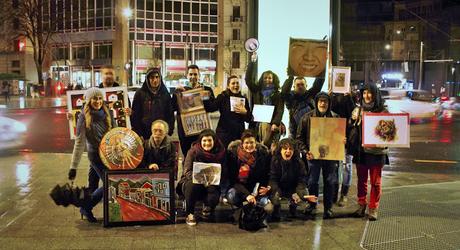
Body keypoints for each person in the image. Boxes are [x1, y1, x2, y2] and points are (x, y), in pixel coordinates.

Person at [67, 87, 115, 222]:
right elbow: (79, 143)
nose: (98, 101)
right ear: (88, 100)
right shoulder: (83, 116)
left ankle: (86, 209)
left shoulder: (108, 112)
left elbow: (116, 133)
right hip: (95, 155)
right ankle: (86, 207)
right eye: (94, 98)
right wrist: (73, 167)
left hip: (108, 154)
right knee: (110, 183)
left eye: (100, 98)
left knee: (93, 185)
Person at [296, 92, 342, 219]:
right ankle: (312, 205)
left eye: (325, 101)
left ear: (329, 103)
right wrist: (306, 152)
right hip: (313, 156)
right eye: (320, 101)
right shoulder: (306, 118)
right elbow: (299, 139)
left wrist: (342, 141)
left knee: (330, 181)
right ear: (316, 103)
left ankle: (328, 208)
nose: (323, 104)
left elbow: (340, 137)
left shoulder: (336, 117)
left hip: (330, 156)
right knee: (312, 182)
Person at [349, 83, 389, 221]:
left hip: (377, 152)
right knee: (361, 181)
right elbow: (351, 129)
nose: (367, 96)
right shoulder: (358, 111)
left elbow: (389, 133)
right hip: (361, 151)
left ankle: (373, 208)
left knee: (376, 182)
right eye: (364, 93)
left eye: (369, 93)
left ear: (375, 94)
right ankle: (361, 205)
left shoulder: (383, 111)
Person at [178, 129, 226, 226]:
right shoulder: (193, 152)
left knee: (213, 194)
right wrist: (201, 179)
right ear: (200, 141)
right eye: (204, 140)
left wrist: (215, 179)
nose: (207, 143)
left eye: (209, 140)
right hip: (192, 181)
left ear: (214, 141)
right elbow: (187, 171)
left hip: (211, 183)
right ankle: (190, 213)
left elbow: (224, 171)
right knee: (192, 186)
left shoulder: (221, 152)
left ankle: (208, 206)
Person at [226, 130, 272, 216]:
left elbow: (266, 175)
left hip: (257, 189)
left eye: (252, 142)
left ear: (256, 144)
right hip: (240, 189)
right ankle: (241, 207)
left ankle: (251, 208)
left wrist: (267, 188)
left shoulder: (263, 155)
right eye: (246, 143)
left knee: (267, 207)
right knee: (232, 196)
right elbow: (233, 181)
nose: (249, 145)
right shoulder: (234, 156)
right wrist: (247, 195)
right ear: (242, 144)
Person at [172, 65, 215, 156]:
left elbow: (212, 108)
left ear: (199, 75)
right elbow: (173, 108)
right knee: (187, 155)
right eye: (191, 74)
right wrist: (175, 94)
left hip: (201, 129)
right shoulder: (181, 91)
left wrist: (205, 97)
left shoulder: (207, 90)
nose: (193, 77)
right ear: (187, 76)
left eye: (195, 74)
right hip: (185, 131)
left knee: (201, 155)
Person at [269, 138, 317, 220]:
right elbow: (272, 179)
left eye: (290, 149)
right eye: (285, 148)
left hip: (293, 188)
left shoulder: (299, 162)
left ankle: (293, 208)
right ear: (280, 150)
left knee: (303, 192)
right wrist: (276, 191)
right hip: (279, 187)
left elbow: (302, 179)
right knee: (275, 196)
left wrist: (300, 194)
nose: (288, 151)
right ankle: (276, 210)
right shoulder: (275, 161)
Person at [245, 52, 284, 148]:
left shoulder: (278, 94)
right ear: (262, 79)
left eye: (270, 78)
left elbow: (280, 110)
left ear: (273, 79)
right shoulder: (257, 91)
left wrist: (275, 123)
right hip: (256, 124)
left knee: (268, 148)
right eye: (265, 78)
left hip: (271, 125)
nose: (267, 80)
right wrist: (252, 62)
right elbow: (248, 80)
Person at [203, 75, 252, 148]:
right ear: (228, 86)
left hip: (238, 134)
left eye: (237, 83)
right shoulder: (222, 97)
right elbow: (211, 108)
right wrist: (205, 97)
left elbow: (248, 119)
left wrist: (245, 112)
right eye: (233, 83)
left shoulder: (244, 99)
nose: (235, 85)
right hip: (224, 133)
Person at [131, 68, 174, 140]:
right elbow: (135, 115)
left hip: (161, 132)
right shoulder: (140, 93)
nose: (155, 80)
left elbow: (170, 114)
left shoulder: (165, 94)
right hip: (144, 134)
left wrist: (169, 131)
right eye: (152, 77)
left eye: (157, 77)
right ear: (147, 79)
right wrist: (138, 133)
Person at [330, 92, 356, 207]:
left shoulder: (349, 97)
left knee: (347, 166)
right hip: (334, 137)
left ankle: (344, 194)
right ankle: (334, 194)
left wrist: (349, 97)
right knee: (335, 166)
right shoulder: (331, 97)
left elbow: (354, 116)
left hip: (347, 138)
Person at [281, 73, 325, 139]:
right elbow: (284, 92)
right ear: (294, 87)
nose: (300, 86)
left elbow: (318, 83)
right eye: (298, 85)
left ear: (306, 85)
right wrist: (291, 77)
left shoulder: (311, 94)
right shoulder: (290, 98)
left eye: (302, 84)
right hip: (295, 130)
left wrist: (321, 69)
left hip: (312, 128)